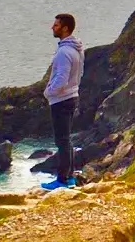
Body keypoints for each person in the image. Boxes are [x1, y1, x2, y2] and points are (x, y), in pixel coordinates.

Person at [41, 13, 84, 190]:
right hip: (72, 96)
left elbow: (61, 79)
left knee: (62, 141)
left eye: (56, 25)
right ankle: (70, 177)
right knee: (66, 140)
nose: (53, 27)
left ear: (65, 28)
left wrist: (48, 93)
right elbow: (79, 74)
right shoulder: (76, 49)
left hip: (61, 100)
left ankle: (63, 180)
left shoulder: (64, 52)